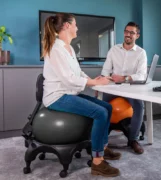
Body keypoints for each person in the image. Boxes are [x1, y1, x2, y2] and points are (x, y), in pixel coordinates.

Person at [42, 13, 120, 177]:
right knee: (100, 113)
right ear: (67, 26)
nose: (77, 28)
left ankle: (103, 148)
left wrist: (93, 79)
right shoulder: (56, 49)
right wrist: (96, 83)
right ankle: (97, 162)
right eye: (75, 24)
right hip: (57, 96)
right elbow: (68, 79)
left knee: (107, 106)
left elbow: (77, 72)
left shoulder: (68, 48)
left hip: (69, 93)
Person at [101, 22, 147, 154]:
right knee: (101, 106)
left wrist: (125, 78)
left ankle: (133, 139)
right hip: (112, 87)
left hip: (130, 88)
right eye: (126, 31)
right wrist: (103, 82)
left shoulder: (141, 53)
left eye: (132, 32)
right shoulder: (114, 49)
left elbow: (142, 75)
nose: (128, 34)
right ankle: (102, 140)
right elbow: (106, 70)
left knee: (139, 106)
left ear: (137, 35)